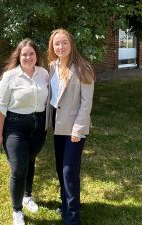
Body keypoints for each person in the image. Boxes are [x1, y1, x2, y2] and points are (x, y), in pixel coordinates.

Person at [0, 38, 49, 225]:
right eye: (24, 54)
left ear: (36, 56)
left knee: (30, 159)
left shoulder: (44, 74)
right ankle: (17, 210)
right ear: (19, 56)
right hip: (15, 127)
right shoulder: (9, 77)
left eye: (31, 53)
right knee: (18, 169)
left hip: (38, 126)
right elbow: (1, 108)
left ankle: (27, 196)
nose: (28, 57)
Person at [47, 28, 95, 225]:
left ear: (71, 44)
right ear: (52, 46)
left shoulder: (84, 68)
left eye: (64, 42)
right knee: (62, 169)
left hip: (75, 128)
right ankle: (66, 203)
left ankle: (72, 218)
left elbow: (86, 103)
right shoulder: (51, 67)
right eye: (56, 43)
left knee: (69, 171)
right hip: (57, 126)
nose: (60, 46)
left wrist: (78, 130)